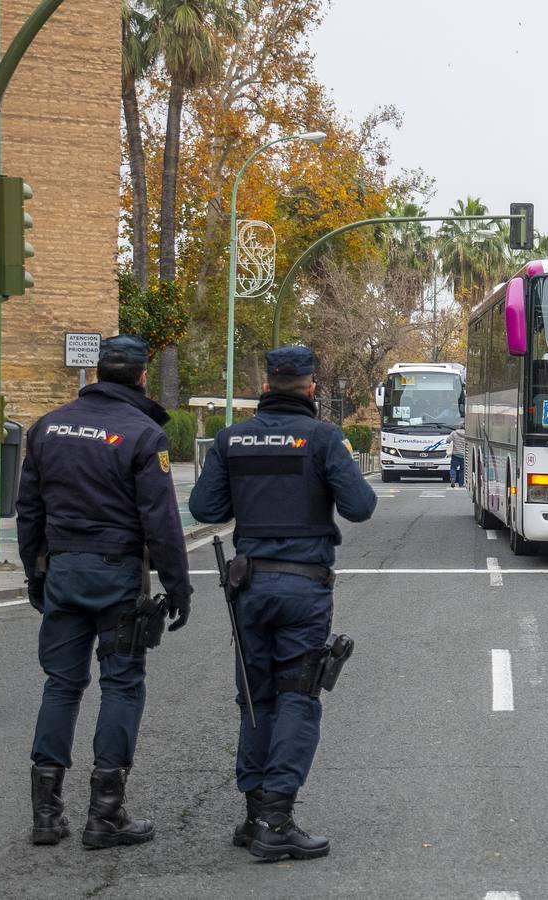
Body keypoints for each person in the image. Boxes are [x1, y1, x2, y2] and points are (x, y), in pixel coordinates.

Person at [189, 345, 377, 861]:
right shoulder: (323, 438)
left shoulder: (231, 440)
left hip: (248, 586)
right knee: (298, 695)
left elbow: (204, 507)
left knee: (254, 696)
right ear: (312, 387)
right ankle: (277, 819)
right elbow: (360, 507)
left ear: (266, 384)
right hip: (303, 589)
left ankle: (253, 816)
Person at [16, 334, 193, 849]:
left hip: (63, 571)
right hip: (116, 577)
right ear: (141, 376)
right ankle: (105, 814)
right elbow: (160, 522)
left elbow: (29, 510)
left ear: (97, 371)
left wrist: (35, 572)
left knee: (62, 685)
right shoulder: (142, 434)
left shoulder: (48, 427)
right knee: (121, 684)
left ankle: (46, 815)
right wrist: (178, 587)